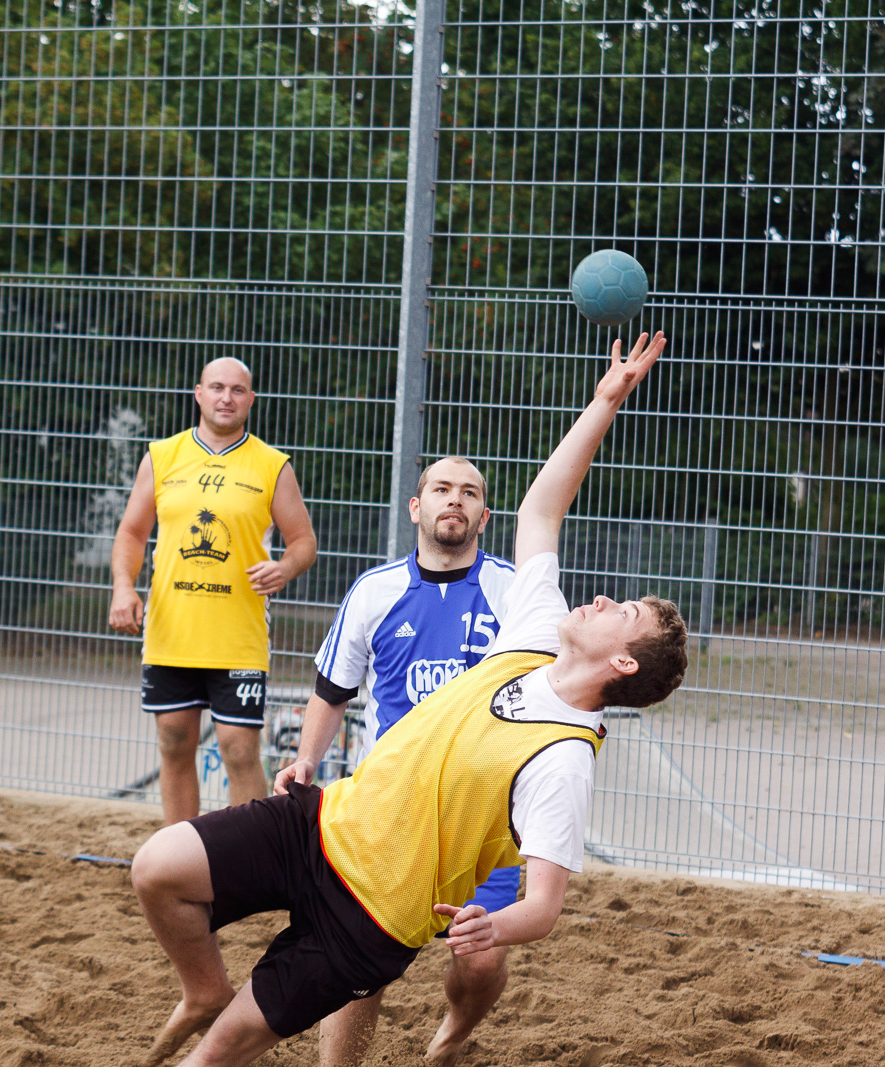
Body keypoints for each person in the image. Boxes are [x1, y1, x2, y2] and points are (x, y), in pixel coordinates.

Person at [130, 331, 688, 1067]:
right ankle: (203, 989)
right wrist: (604, 401)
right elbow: (542, 510)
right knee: (155, 867)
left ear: (620, 659)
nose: (604, 597)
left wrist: (497, 926)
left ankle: (440, 1037)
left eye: (623, 613)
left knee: (220, 1053)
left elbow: (545, 904)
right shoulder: (533, 632)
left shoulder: (563, 756)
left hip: (372, 914)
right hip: (323, 823)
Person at [278, 454, 517, 1066]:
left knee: (480, 956)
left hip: (484, 813)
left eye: (468, 493)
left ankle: (451, 1038)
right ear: (417, 507)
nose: (454, 500)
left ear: (484, 517)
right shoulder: (375, 590)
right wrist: (307, 760)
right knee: (359, 959)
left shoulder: (515, 593)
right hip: (393, 809)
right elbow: (332, 692)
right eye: (441, 489)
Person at [110, 357, 317, 824]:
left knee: (239, 749)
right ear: (199, 394)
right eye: (217, 388)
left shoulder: (271, 464)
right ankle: (180, 859)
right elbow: (131, 534)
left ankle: (249, 865)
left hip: (237, 635)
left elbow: (303, 542)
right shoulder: (162, 456)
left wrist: (284, 568)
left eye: (238, 390)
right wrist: (124, 588)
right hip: (171, 631)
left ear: (251, 400)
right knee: (176, 742)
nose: (227, 397)